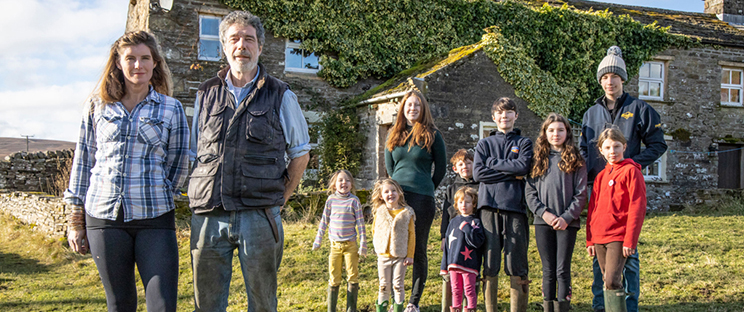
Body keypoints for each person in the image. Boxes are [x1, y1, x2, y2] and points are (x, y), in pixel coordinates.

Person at [187, 10, 311, 312]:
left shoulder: (281, 94)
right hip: (209, 213)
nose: (241, 45)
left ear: (259, 47)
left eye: (248, 39)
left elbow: (301, 153)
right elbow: (194, 152)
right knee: (207, 304)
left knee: (263, 303)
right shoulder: (205, 93)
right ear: (225, 47)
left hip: (259, 215)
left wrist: (281, 198)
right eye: (234, 39)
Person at [64, 30, 189, 312]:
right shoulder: (97, 106)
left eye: (145, 58)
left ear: (155, 63)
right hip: (104, 219)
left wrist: (160, 190)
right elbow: (83, 160)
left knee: (163, 304)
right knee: (119, 304)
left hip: (154, 218)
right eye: (130, 58)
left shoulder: (171, 109)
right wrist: (75, 220)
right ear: (118, 63)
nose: (138, 65)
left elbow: (180, 161)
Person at [580, 46, 667, 312]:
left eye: (614, 76)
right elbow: (584, 150)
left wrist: (631, 165)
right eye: (605, 76)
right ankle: (601, 306)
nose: (610, 81)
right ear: (600, 80)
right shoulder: (590, 113)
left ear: (622, 79)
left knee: (627, 254)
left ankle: (628, 307)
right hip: (599, 187)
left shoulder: (639, 109)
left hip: (627, 188)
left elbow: (658, 144)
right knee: (600, 255)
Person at [384, 89, 447, 312]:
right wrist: (397, 192)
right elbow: (390, 168)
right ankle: (395, 300)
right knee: (394, 249)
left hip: (422, 199)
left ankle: (413, 302)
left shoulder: (432, 135)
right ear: (403, 108)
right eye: (409, 105)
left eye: (417, 105)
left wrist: (426, 186)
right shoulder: (394, 133)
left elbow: (441, 169)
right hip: (397, 200)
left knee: (418, 249)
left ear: (423, 109)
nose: (413, 109)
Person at [473, 97, 534, 312]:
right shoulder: (484, 143)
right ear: (494, 117)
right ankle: (491, 308)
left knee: (516, 259)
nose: (504, 116)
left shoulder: (524, 143)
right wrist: (510, 172)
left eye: (509, 112)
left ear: (516, 116)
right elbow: (478, 173)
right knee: (490, 260)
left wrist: (493, 164)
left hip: (515, 206)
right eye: (500, 112)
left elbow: (522, 167)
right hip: (488, 207)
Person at [525, 113, 588, 312]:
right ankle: (548, 308)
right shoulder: (536, 159)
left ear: (567, 132)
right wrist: (544, 214)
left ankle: (563, 307)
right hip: (543, 221)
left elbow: (581, 193)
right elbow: (530, 191)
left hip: (567, 223)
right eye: (551, 130)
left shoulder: (577, 160)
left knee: (562, 269)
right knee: (548, 269)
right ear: (544, 133)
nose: (556, 134)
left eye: (560, 130)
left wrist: (567, 217)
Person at [586, 128, 647, 312]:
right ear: (601, 150)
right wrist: (590, 239)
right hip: (599, 237)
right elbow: (592, 209)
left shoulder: (631, 171)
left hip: (618, 236)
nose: (612, 151)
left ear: (624, 147)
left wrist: (630, 240)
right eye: (607, 147)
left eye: (616, 146)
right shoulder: (600, 176)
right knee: (606, 280)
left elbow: (637, 207)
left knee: (613, 280)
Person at [312, 170, 368, 312]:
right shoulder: (331, 200)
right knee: (334, 277)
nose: (344, 183)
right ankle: (332, 309)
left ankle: (351, 309)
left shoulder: (354, 201)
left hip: (351, 245)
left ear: (352, 184)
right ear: (334, 185)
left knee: (352, 276)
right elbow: (324, 221)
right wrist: (318, 240)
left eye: (347, 180)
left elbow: (361, 225)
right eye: (340, 180)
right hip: (335, 246)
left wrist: (363, 245)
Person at [439, 149, 478, 312]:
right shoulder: (452, 189)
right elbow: (445, 215)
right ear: (455, 168)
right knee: (452, 276)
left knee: (470, 276)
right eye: (461, 164)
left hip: (472, 239)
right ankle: (451, 306)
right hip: (454, 241)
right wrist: (443, 237)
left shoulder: (480, 185)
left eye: (469, 163)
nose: (465, 167)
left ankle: (470, 306)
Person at [371, 178, 416, 312]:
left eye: (393, 191)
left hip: (400, 257)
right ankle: (382, 308)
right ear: (381, 195)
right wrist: (378, 247)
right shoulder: (380, 211)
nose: (390, 194)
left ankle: (398, 308)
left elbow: (412, 235)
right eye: (386, 192)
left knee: (398, 285)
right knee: (383, 285)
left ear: (399, 193)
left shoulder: (407, 213)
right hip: (383, 256)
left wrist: (410, 255)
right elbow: (374, 230)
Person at [439, 187, 485, 312]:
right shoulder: (453, 222)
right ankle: (456, 309)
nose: (464, 205)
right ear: (456, 204)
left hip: (469, 264)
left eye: (467, 202)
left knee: (469, 290)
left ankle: (470, 309)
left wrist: (467, 229)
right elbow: (448, 246)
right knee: (455, 289)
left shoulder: (476, 222)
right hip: (454, 264)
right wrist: (444, 266)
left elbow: (477, 242)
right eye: (460, 202)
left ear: (474, 204)